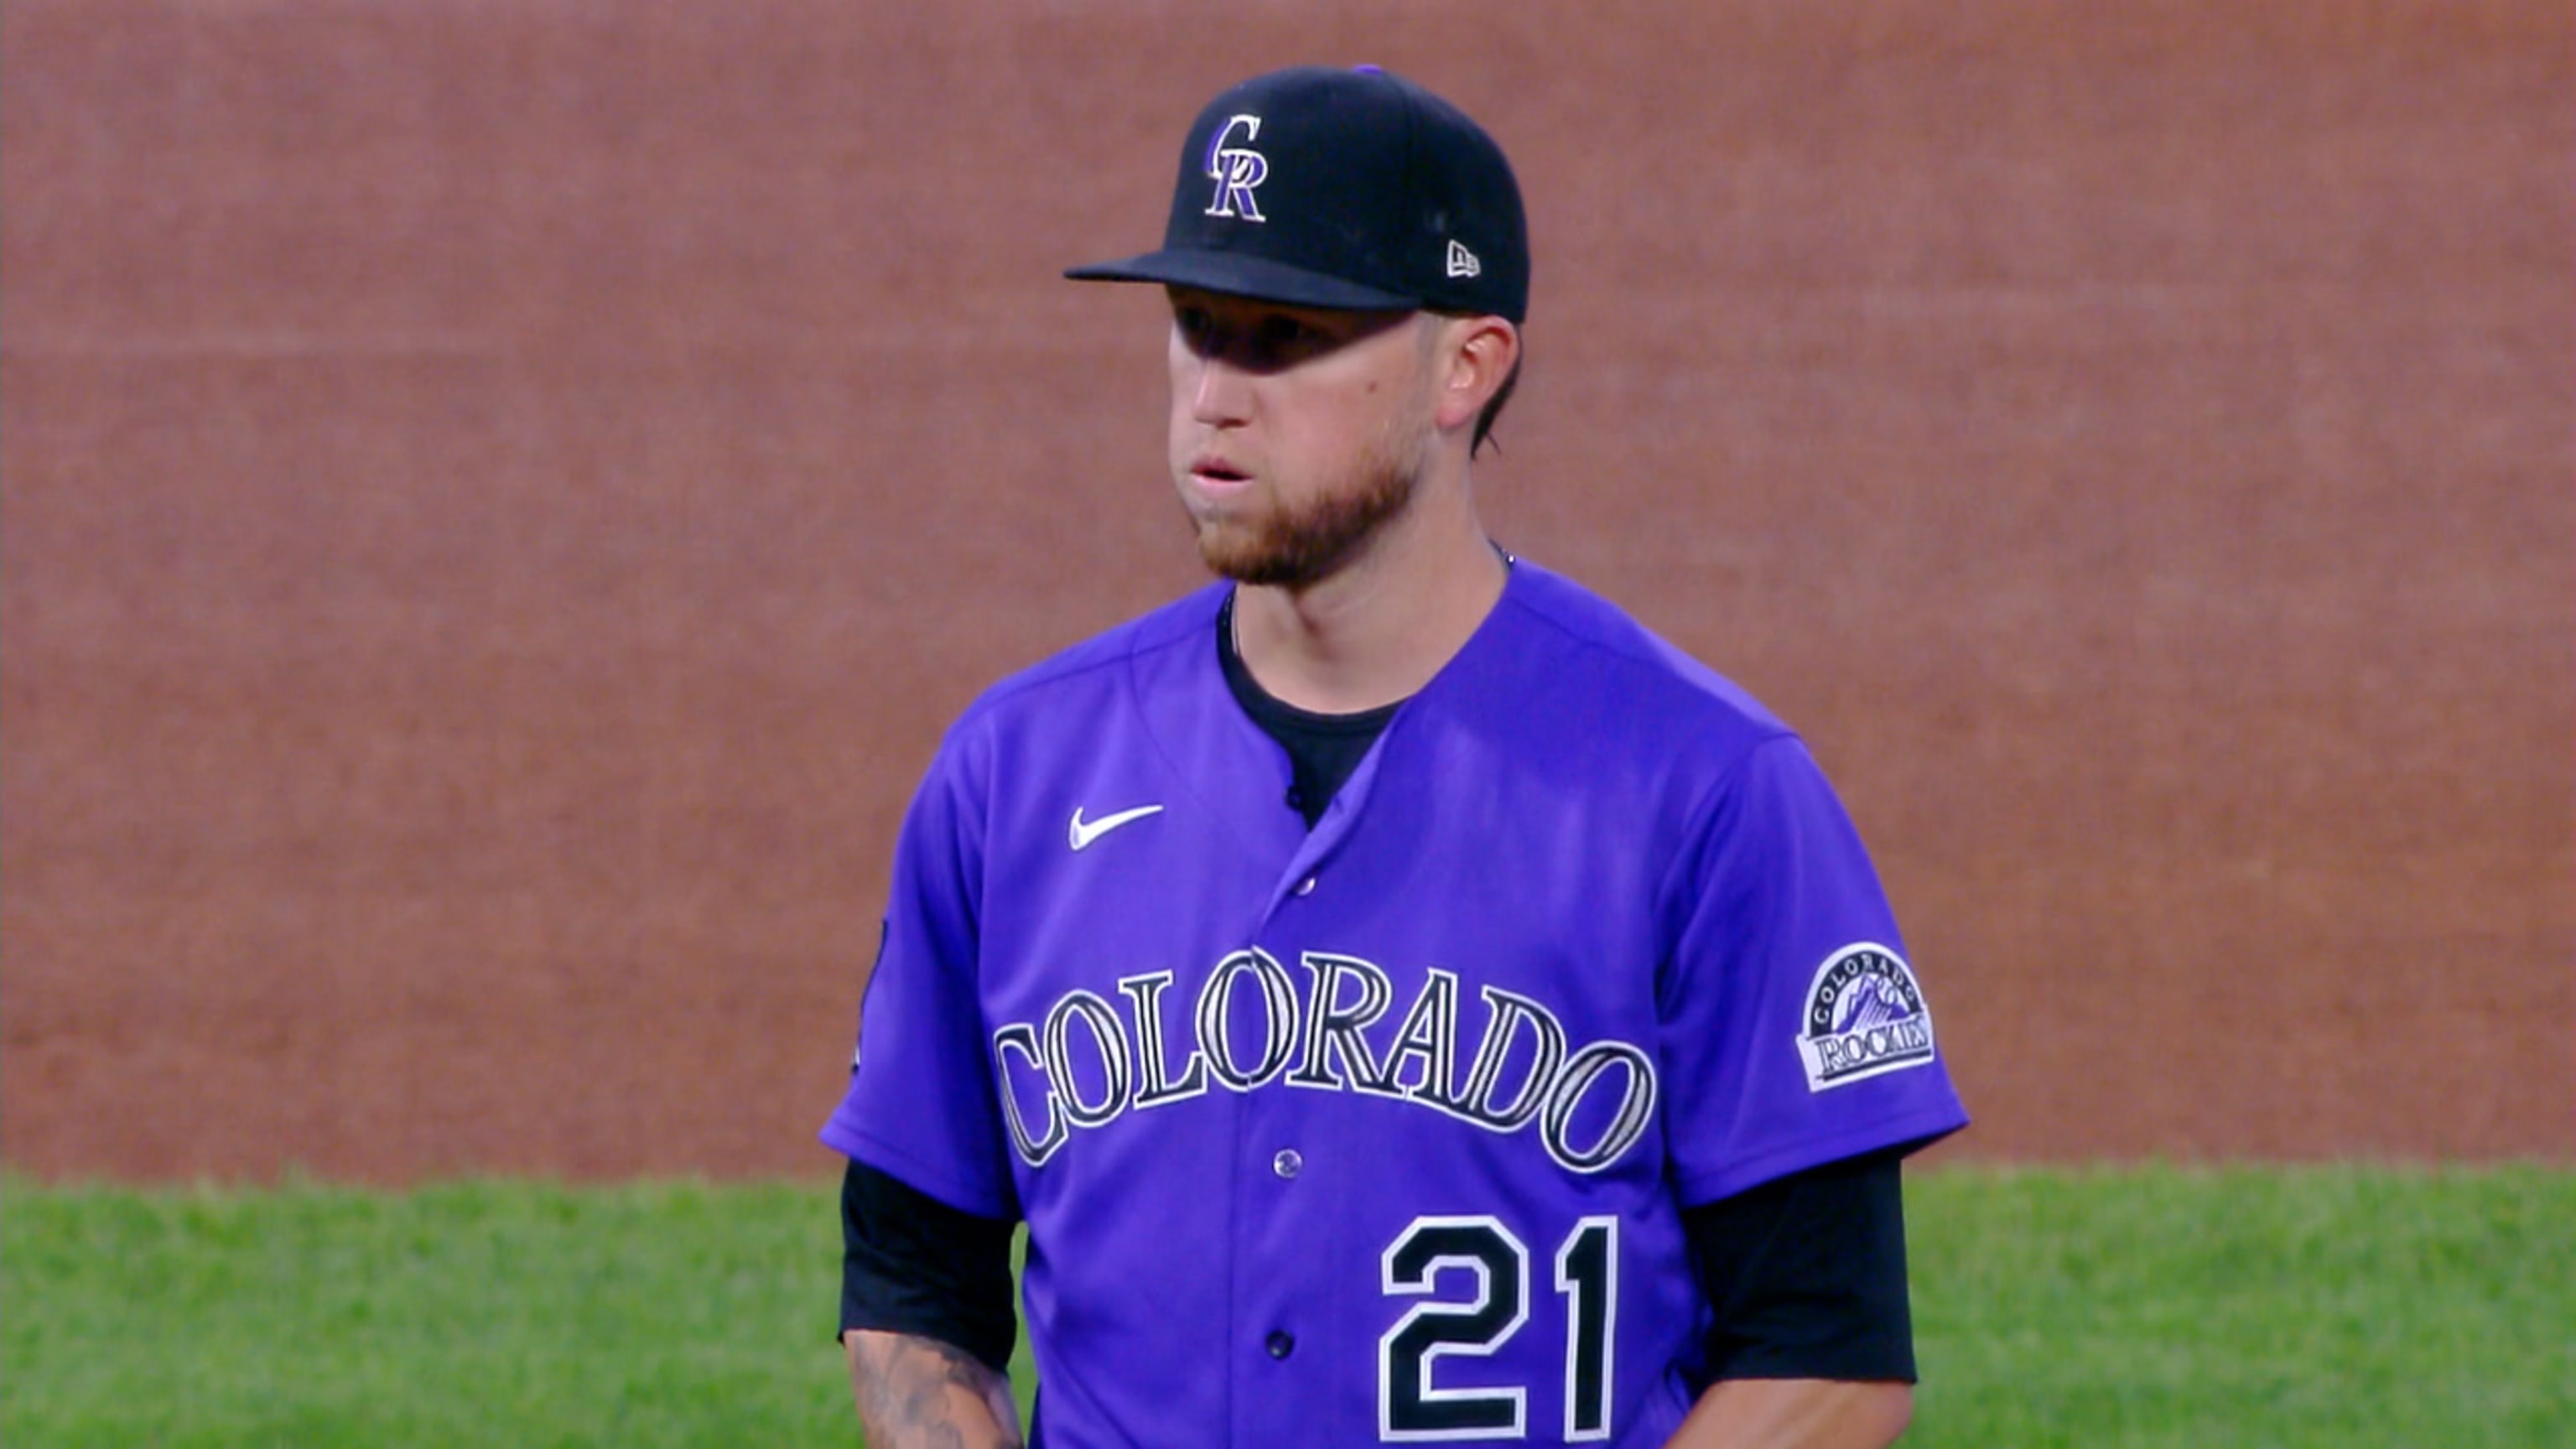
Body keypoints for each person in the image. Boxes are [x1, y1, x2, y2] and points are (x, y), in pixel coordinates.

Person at [821, 64, 1968, 1449]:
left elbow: (1831, 1358)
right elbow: (911, 1290)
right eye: (1198, 328)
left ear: (1466, 365)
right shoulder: (1013, 775)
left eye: (1288, 337)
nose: (1216, 398)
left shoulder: (1706, 790)